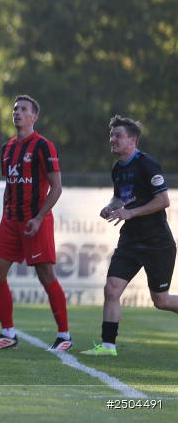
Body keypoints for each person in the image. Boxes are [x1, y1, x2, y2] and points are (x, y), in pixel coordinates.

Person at [81, 116, 177, 356]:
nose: (112, 140)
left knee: (161, 301)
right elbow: (120, 197)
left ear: (132, 140)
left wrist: (131, 212)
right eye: (111, 135)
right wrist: (110, 206)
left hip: (157, 242)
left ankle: (108, 345)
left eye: (118, 136)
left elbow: (163, 201)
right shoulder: (117, 168)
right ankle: (108, 346)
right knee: (111, 289)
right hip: (130, 241)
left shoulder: (147, 164)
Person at [0, 95, 71, 351]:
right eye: (15, 109)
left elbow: (56, 188)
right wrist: (5, 216)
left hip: (36, 220)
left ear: (34, 116)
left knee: (46, 276)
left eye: (23, 109)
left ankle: (64, 336)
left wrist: (39, 217)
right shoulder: (7, 149)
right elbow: (10, 187)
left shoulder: (44, 146)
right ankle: (8, 334)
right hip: (11, 221)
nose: (17, 113)